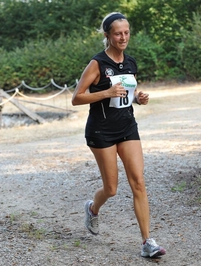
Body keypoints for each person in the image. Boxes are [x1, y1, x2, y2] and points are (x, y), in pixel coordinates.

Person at [72, 12, 166, 258]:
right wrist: (106, 93)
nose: (123, 37)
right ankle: (93, 209)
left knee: (138, 182)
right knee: (111, 188)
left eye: (126, 32)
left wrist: (138, 97)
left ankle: (147, 242)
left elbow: (128, 93)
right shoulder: (97, 64)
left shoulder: (131, 62)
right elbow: (76, 98)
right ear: (108, 35)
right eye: (118, 33)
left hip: (127, 127)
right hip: (101, 131)